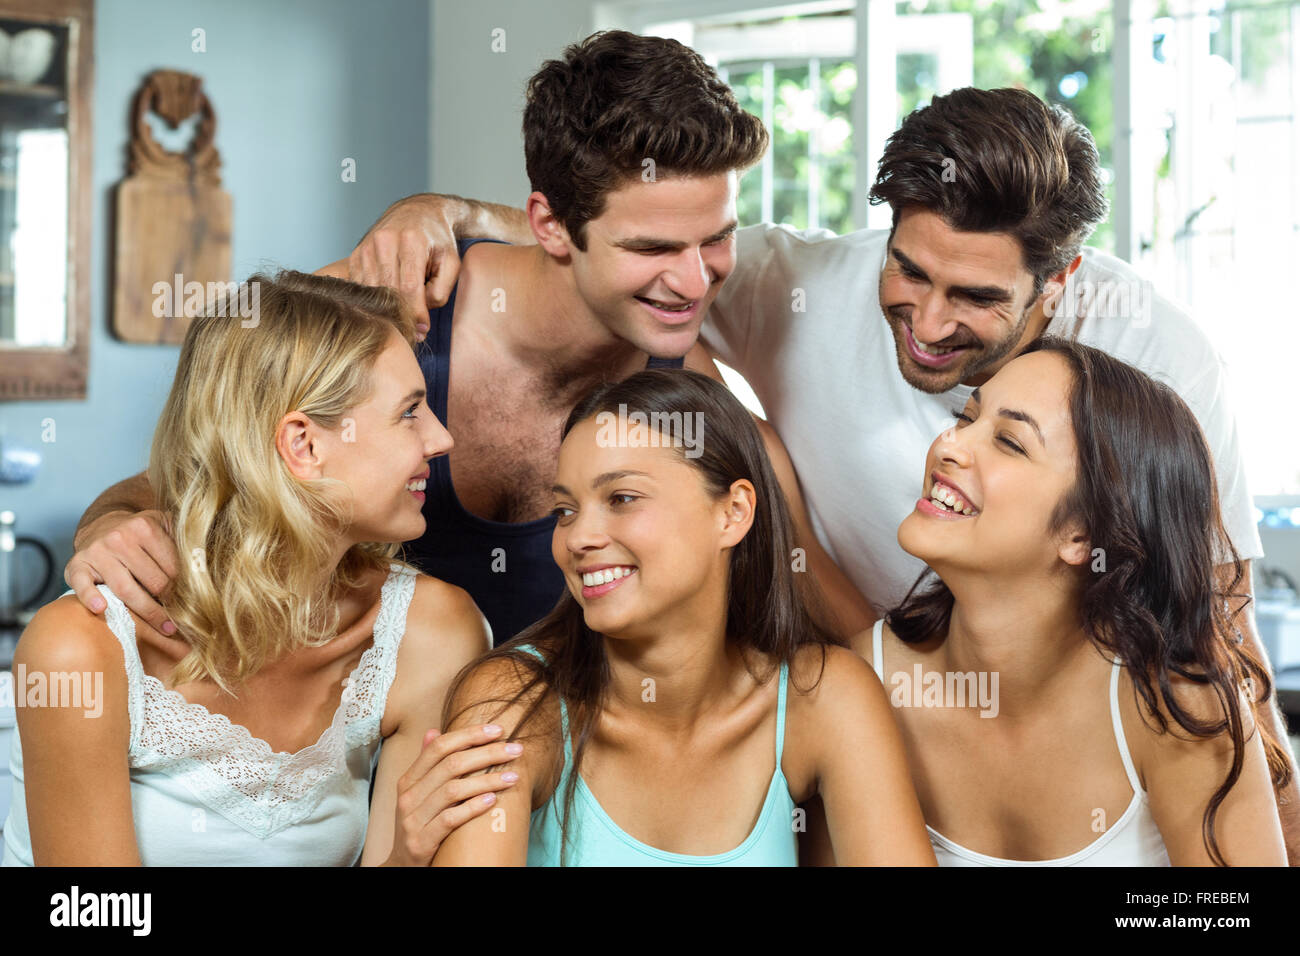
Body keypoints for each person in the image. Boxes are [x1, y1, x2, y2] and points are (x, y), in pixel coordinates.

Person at [334, 84, 1299, 858]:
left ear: (1060, 280)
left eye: (974, 298)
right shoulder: (794, 289)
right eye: (910, 272)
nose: (925, 326)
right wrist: (444, 211)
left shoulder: (1158, 363)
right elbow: (623, 239)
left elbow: (1222, 624)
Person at [60, 31, 872, 652]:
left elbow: (819, 612)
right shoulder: (381, 308)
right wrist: (107, 530)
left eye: (717, 240)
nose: (697, 284)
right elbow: (172, 487)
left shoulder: (688, 402)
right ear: (550, 224)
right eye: (652, 250)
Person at [3, 273, 518, 866]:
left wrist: (404, 856)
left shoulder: (431, 632)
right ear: (303, 445)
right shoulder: (80, 648)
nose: (442, 438)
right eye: (409, 412)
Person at [430, 370, 935, 866]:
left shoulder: (824, 695)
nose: (578, 538)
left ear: (733, 512)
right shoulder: (512, 701)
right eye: (565, 511)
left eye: (621, 498)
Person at [842, 339, 1286, 866]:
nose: (949, 445)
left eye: (1009, 442)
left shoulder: (1178, 705)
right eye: (966, 417)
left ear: (1082, 534)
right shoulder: (860, 684)